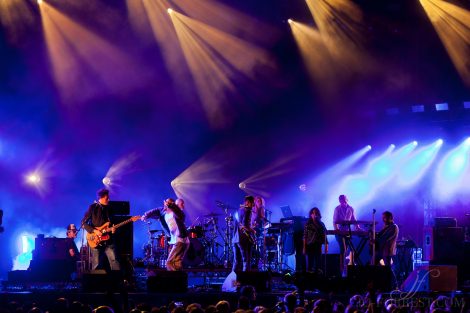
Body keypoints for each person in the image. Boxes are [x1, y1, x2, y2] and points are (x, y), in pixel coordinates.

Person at [142, 198, 189, 271]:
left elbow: (182, 216)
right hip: (177, 240)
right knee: (177, 263)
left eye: (170, 203)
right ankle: (179, 280)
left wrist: (172, 206)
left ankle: (174, 279)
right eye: (166, 203)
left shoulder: (176, 212)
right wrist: (146, 215)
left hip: (181, 240)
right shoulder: (162, 211)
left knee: (169, 263)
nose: (167, 204)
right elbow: (154, 211)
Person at [81, 188, 120, 271]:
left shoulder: (110, 209)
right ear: (101, 198)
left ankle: (117, 280)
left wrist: (113, 229)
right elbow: (83, 223)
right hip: (95, 239)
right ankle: (96, 283)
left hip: (108, 239)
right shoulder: (93, 207)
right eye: (107, 198)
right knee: (96, 264)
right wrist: (94, 231)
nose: (108, 199)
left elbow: (113, 223)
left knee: (114, 261)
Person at [333, 195, 357, 274]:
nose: (342, 200)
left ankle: (345, 268)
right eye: (341, 199)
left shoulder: (351, 208)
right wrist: (336, 229)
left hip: (347, 231)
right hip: (340, 231)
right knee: (343, 249)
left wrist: (357, 227)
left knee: (346, 249)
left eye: (343, 199)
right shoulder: (337, 209)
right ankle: (341, 269)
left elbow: (354, 219)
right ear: (339, 201)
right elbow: (334, 220)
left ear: (347, 199)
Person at [232, 195, 255, 272]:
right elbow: (245, 226)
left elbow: (238, 224)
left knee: (236, 262)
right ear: (248, 202)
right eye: (253, 203)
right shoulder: (248, 210)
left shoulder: (239, 210)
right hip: (243, 239)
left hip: (235, 239)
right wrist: (253, 230)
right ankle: (245, 281)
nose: (253, 205)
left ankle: (232, 282)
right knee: (246, 261)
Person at [303, 207, 328, 273]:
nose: (314, 215)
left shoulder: (321, 224)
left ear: (318, 215)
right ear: (311, 215)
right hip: (310, 245)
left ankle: (318, 274)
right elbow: (305, 236)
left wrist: (326, 246)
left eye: (316, 213)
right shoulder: (308, 224)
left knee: (318, 261)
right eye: (313, 213)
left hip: (318, 245)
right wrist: (304, 248)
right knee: (310, 261)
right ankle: (309, 275)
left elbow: (325, 235)